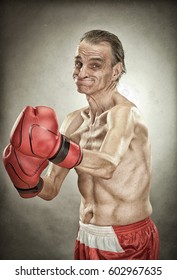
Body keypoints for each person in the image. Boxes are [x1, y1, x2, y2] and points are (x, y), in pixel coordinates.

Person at [3, 30, 159, 260]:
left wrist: (55, 148)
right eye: (78, 63)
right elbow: (52, 188)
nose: (81, 72)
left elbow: (106, 165)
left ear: (115, 71)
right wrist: (27, 181)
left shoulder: (125, 114)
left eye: (94, 65)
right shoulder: (73, 121)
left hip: (127, 238)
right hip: (86, 235)